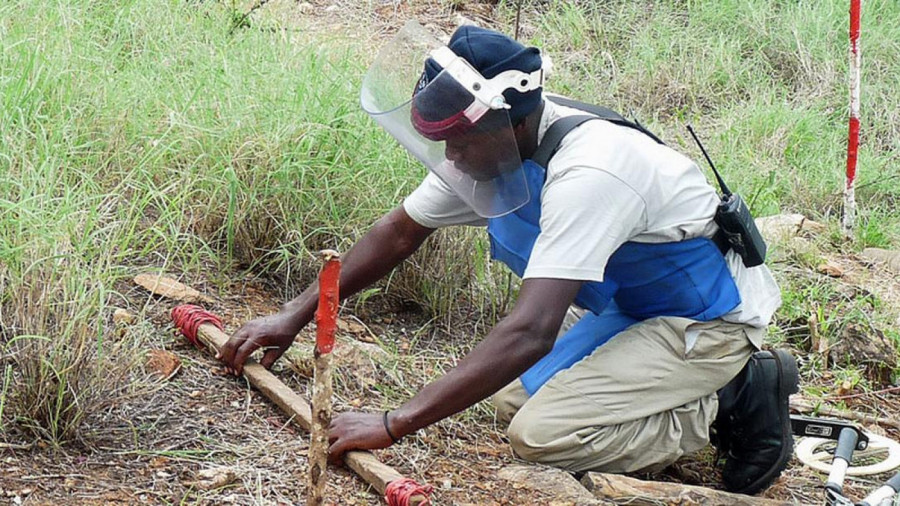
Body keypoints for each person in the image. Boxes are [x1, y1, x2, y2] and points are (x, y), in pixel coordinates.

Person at [218, 22, 798, 495]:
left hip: (704, 320)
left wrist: (394, 424)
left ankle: (729, 397)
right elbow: (397, 234)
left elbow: (530, 331)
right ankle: (686, 384)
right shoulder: (487, 149)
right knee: (506, 398)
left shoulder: (592, 172)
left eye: (460, 141)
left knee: (542, 437)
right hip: (630, 308)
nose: (451, 157)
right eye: (442, 141)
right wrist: (294, 314)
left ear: (515, 121)